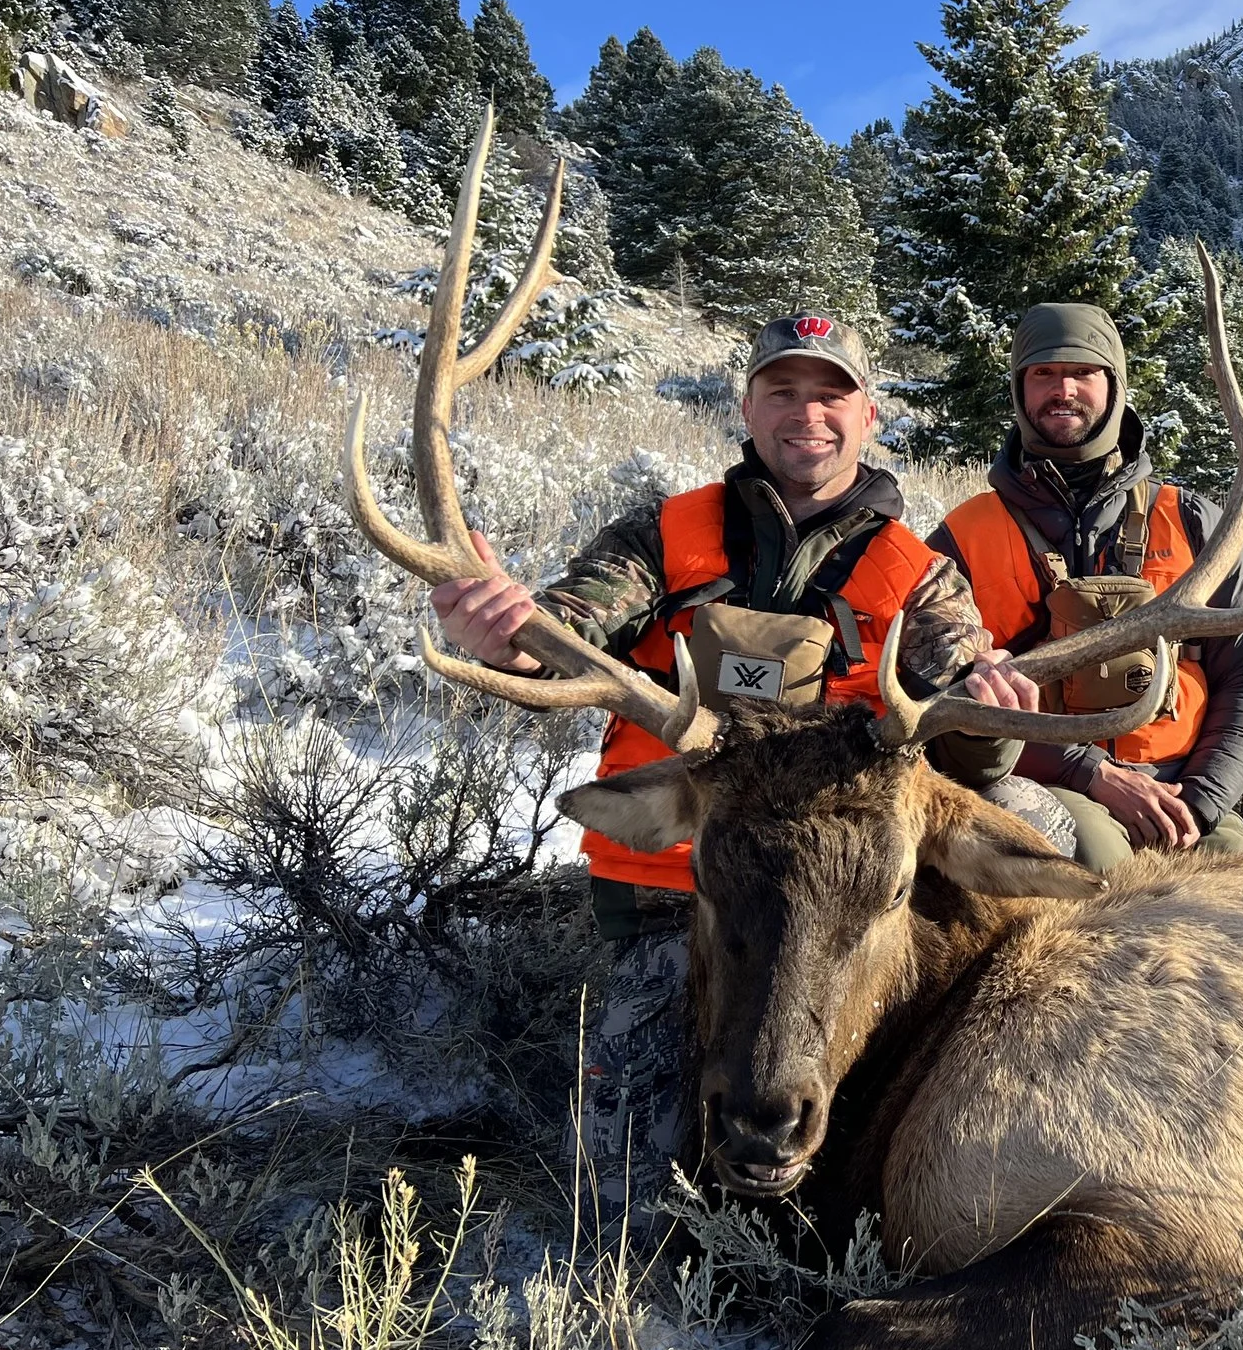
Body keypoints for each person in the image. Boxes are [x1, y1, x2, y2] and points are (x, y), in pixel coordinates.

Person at [430, 311, 1050, 1208]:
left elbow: (967, 726)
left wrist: (989, 703)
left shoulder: (915, 575)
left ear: (868, 414)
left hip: (831, 919)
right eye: (782, 392)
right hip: (670, 887)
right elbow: (564, 630)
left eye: (831, 394)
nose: (808, 414)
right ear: (748, 407)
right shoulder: (663, 539)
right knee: (626, 1192)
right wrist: (504, 633)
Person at [933, 300, 1243, 872]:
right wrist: (1090, 773)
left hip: (1183, 790)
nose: (1062, 388)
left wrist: (1202, 798)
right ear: (1019, 390)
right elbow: (943, 699)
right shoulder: (963, 536)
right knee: (1098, 875)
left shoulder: (1194, 522)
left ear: (1114, 385)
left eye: (1083, 372)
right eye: (1042, 373)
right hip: (1048, 788)